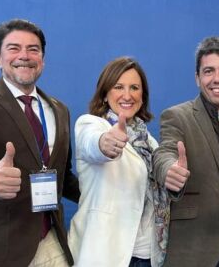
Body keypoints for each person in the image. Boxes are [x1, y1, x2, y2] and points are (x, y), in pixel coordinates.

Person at [0, 19, 80, 266]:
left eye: (33, 49)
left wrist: (106, 196)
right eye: (14, 48)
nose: (25, 56)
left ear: (42, 58)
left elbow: (62, 176)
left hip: (52, 245)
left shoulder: (59, 109)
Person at [153, 36, 219, 267]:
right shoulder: (177, 116)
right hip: (198, 249)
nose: (217, 79)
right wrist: (169, 171)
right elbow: (165, 153)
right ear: (197, 78)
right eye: (209, 71)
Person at [67, 56, 169, 267]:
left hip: (148, 254)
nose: (127, 95)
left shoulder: (149, 141)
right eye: (118, 87)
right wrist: (105, 144)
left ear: (143, 96)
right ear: (105, 94)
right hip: (107, 253)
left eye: (134, 87)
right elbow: (92, 144)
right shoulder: (91, 124)